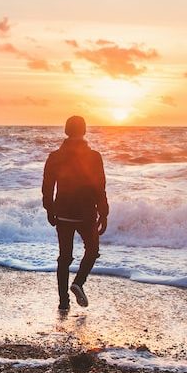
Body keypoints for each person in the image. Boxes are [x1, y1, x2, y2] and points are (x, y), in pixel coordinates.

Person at [42, 115, 109, 311]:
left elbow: (47, 186)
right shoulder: (94, 157)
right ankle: (78, 283)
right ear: (84, 131)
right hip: (86, 212)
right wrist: (103, 213)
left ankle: (63, 302)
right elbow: (99, 187)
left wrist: (49, 209)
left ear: (66, 130)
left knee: (64, 257)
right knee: (92, 250)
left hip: (62, 211)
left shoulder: (54, 157)